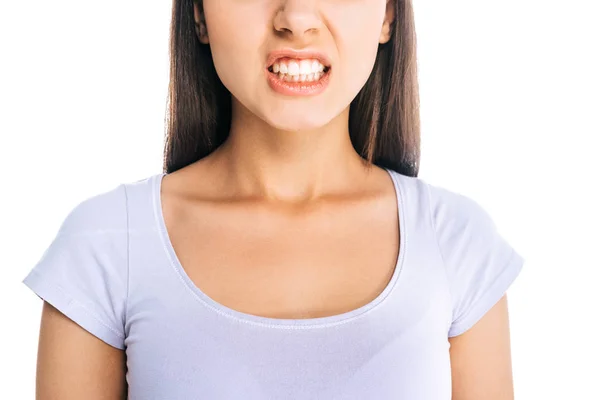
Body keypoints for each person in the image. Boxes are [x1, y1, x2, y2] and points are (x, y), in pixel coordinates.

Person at [23, 0, 524, 398]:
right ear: (198, 13)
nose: (297, 18)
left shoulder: (456, 244)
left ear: (388, 14)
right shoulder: (106, 248)